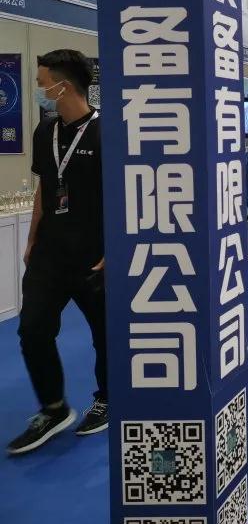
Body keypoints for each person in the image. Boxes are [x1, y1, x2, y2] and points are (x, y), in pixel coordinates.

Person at [8, 50, 107, 455]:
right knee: (32, 329)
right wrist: (32, 239)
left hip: (94, 254)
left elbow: (124, 196)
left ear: (63, 86)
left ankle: (108, 397)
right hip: (50, 252)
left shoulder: (107, 132)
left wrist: (116, 249)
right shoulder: (44, 130)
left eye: (41, 83)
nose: (39, 90)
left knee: (105, 334)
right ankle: (53, 408)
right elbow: (45, 187)